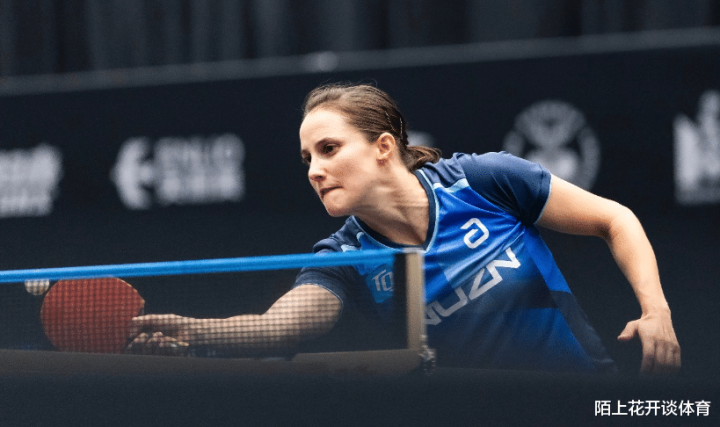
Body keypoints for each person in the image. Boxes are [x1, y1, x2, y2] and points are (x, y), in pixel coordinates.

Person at [128, 82, 680, 375]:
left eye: (329, 149)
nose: (314, 170)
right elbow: (280, 328)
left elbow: (615, 219)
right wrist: (194, 332)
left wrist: (656, 311)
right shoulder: (348, 258)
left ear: (384, 146)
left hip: (583, 401)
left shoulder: (482, 181)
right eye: (307, 158)